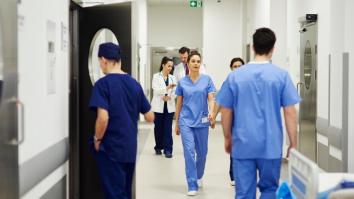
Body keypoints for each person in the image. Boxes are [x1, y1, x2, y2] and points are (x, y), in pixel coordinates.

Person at [216, 27, 300, 199]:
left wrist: (227, 137)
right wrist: (293, 143)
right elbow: (290, 112)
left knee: (244, 193)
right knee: (269, 190)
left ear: (253, 47)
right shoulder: (281, 76)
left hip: (242, 143)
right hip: (270, 145)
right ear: (273, 48)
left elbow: (226, 111)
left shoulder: (235, 76)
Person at [89, 42, 154, 199]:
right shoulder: (134, 84)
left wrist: (97, 139)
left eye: (100, 62)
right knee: (124, 191)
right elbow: (150, 116)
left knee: (114, 194)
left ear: (104, 60)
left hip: (111, 148)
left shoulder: (102, 85)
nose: (100, 66)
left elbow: (103, 118)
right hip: (129, 147)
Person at [175, 51, 216, 196]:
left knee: (203, 153)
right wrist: (177, 122)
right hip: (186, 121)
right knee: (189, 152)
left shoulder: (207, 80)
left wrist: (212, 112)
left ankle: (198, 176)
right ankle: (192, 184)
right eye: (193, 61)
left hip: (202, 120)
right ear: (188, 63)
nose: (196, 64)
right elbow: (179, 102)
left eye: (198, 61)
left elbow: (211, 98)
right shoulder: (182, 82)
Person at [211, 57, 245, 186]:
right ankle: (234, 175)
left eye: (240, 66)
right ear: (231, 68)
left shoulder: (248, 81)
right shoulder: (229, 82)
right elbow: (219, 99)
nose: (237, 68)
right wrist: (213, 117)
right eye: (235, 66)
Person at [151, 56, 177, 158]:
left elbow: (176, 91)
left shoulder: (173, 78)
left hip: (169, 107)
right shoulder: (156, 76)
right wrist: (167, 88)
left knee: (167, 129)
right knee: (158, 128)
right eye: (168, 66)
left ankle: (168, 150)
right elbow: (156, 90)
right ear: (163, 65)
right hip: (158, 107)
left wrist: (170, 97)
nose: (170, 68)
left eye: (171, 66)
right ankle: (158, 147)